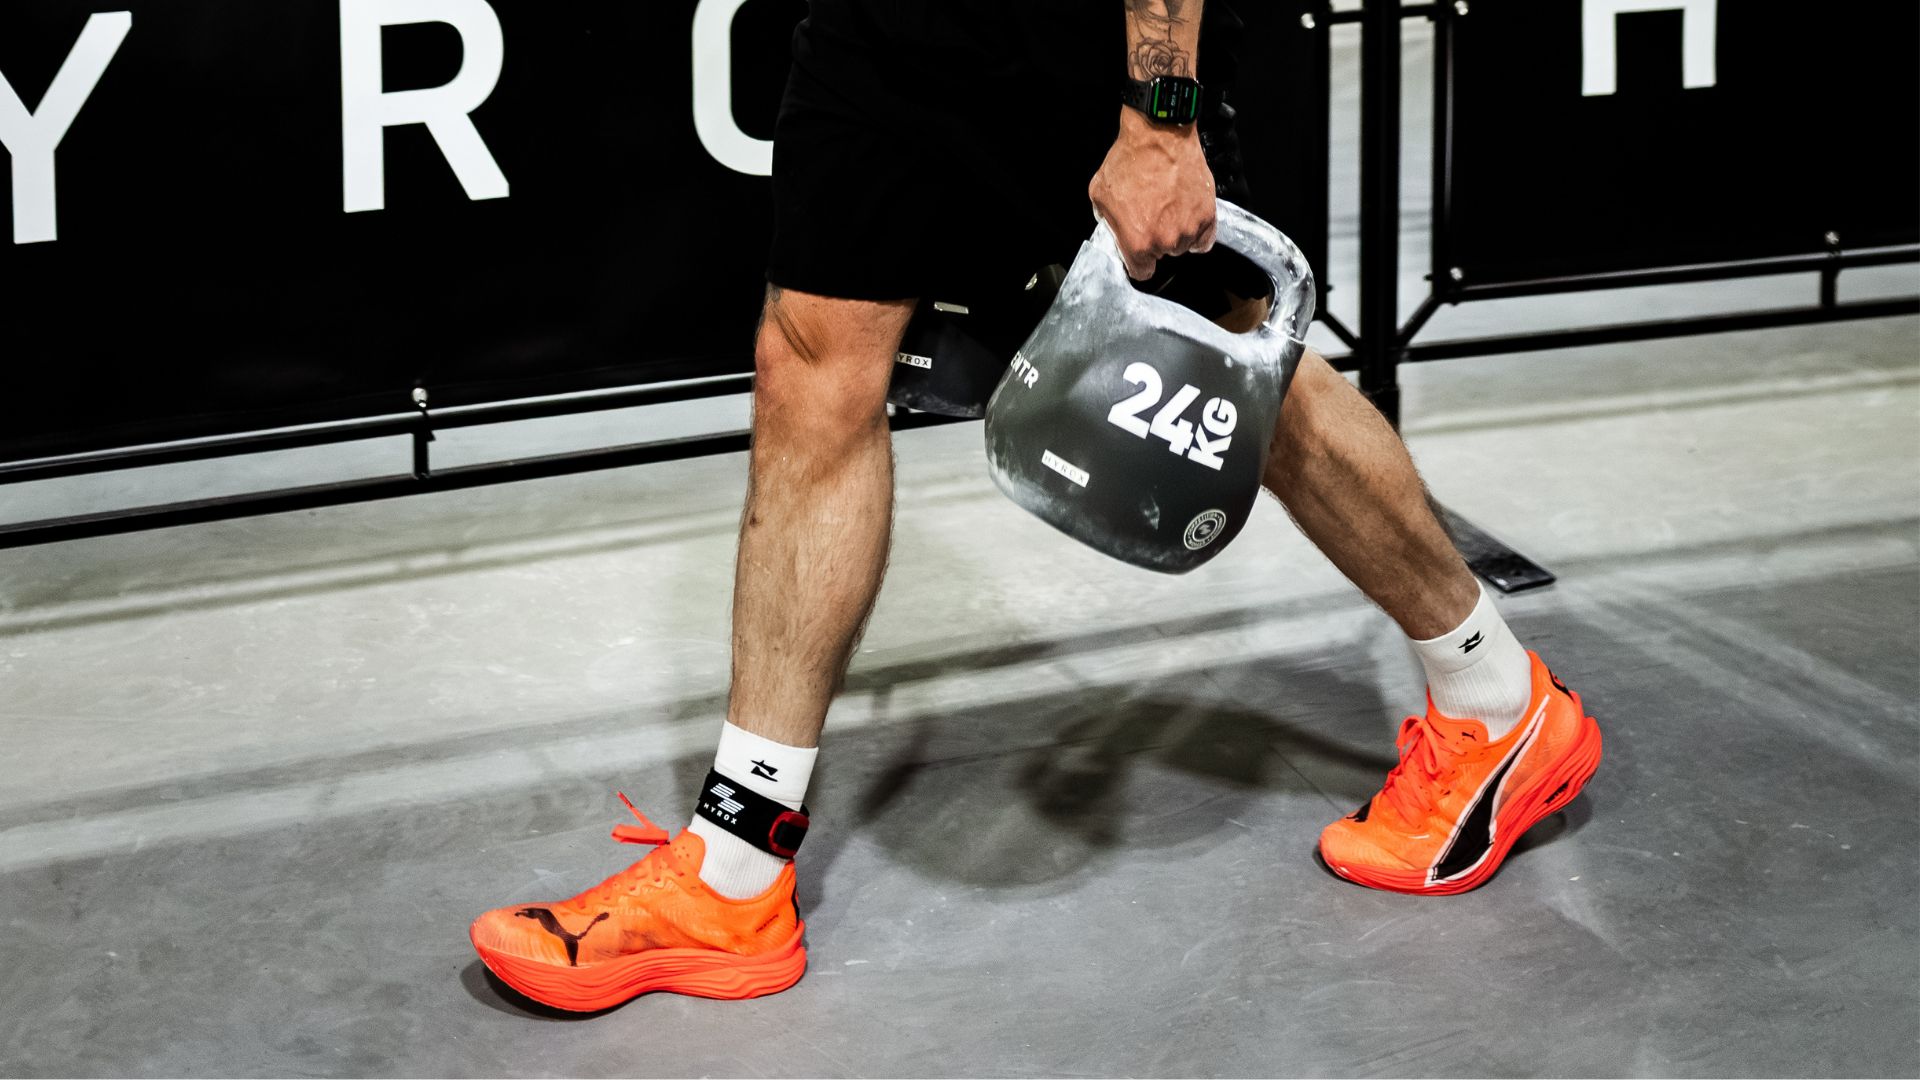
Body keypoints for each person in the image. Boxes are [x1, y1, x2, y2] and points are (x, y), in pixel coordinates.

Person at [468, 0, 1602, 1011]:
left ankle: (1496, 698)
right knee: (810, 364)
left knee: (1241, 377)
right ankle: (733, 874)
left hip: (1081, 41)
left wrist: (1161, 116)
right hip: (883, 30)